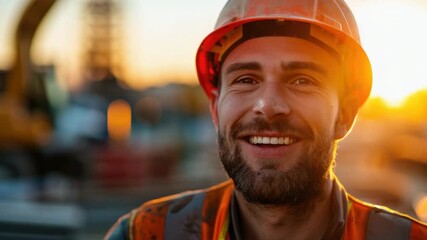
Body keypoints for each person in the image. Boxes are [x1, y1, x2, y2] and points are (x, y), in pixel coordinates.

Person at [104, 0, 427, 239]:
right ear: (216, 109)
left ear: (345, 113)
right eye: (246, 79)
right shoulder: (145, 233)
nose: (268, 106)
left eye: (302, 80)